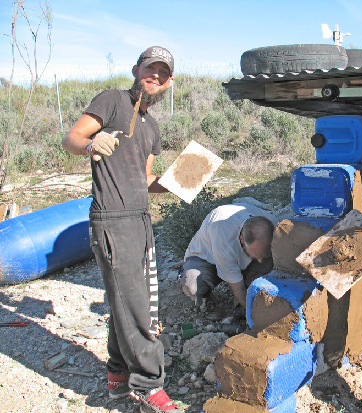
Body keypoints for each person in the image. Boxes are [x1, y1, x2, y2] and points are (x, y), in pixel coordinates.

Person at [62, 46, 182, 413]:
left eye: (163, 73)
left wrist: (178, 182)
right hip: (112, 220)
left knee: (126, 301)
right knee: (136, 307)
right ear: (136, 69)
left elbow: (145, 179)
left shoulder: (152, 125)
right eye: (151, 69)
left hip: (141, 220)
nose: (156, 76)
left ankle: (117, 377)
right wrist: (89, 145)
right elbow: (71, 139)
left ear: (169, 82)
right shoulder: (112, 101)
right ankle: (149, 383)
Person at [178, 203, 276, 313]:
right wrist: (254, 314)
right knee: (193, 285)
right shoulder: (223, 238)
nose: (260, 261)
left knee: (266, 267)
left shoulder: (271, 223)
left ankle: (248, 287)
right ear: (242, 239)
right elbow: (237, 288)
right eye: (255, 255)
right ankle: (204, 295)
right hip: (207, 259)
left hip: (235, 259)